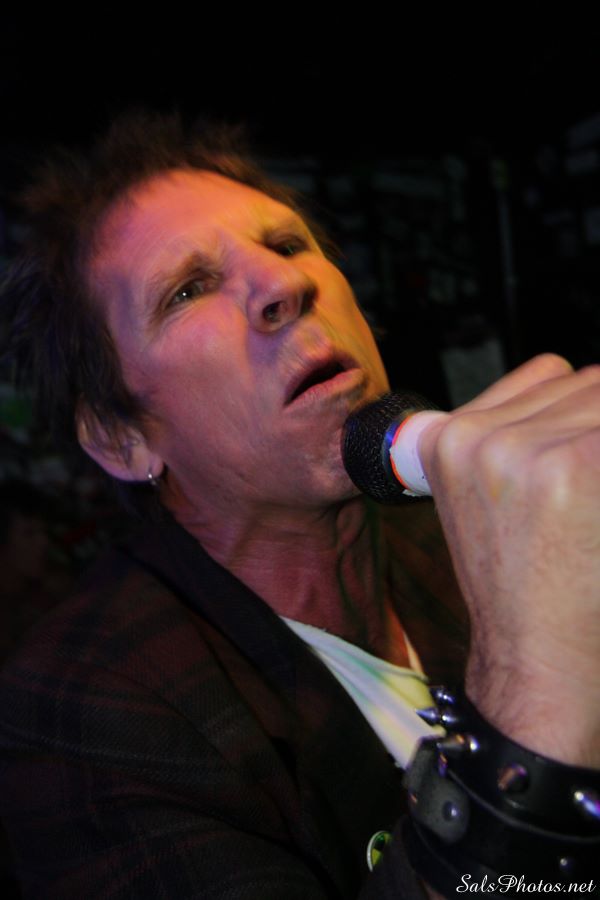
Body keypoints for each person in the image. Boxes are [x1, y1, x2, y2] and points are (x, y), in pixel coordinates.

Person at [0, 111, 598, 899]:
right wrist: (535, 689)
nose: (287, 284)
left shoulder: (471, 532)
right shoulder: (84, 710)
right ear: (121, 439)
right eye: (187, 290)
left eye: (286, 244)